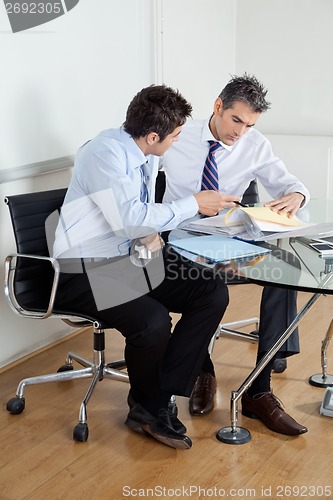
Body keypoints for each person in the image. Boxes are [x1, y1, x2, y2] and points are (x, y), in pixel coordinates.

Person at [52, 84, 240, 450]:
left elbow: (136, 221)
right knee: (153, 319)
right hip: (82, 271)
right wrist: (193, 204)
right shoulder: (103, 155)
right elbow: (130, 218)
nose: (176, 141)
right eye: (175, 135)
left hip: (126, 258)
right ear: (153, 135)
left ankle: (161, 392)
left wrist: (149, 235)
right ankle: (148, 407)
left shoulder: (144, 152)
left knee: (210, 290)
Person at [160, 73, 310, 436]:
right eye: (236, 120)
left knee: (284, 275)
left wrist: (297, 196)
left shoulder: (254, 144)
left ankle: (259, 390)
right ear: (217, 107)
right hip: (182, 239)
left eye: (250, 124)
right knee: (208, 290)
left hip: (230, 238)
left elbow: (289, 183)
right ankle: (202, 370)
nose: (240, 132)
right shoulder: (177, 136)